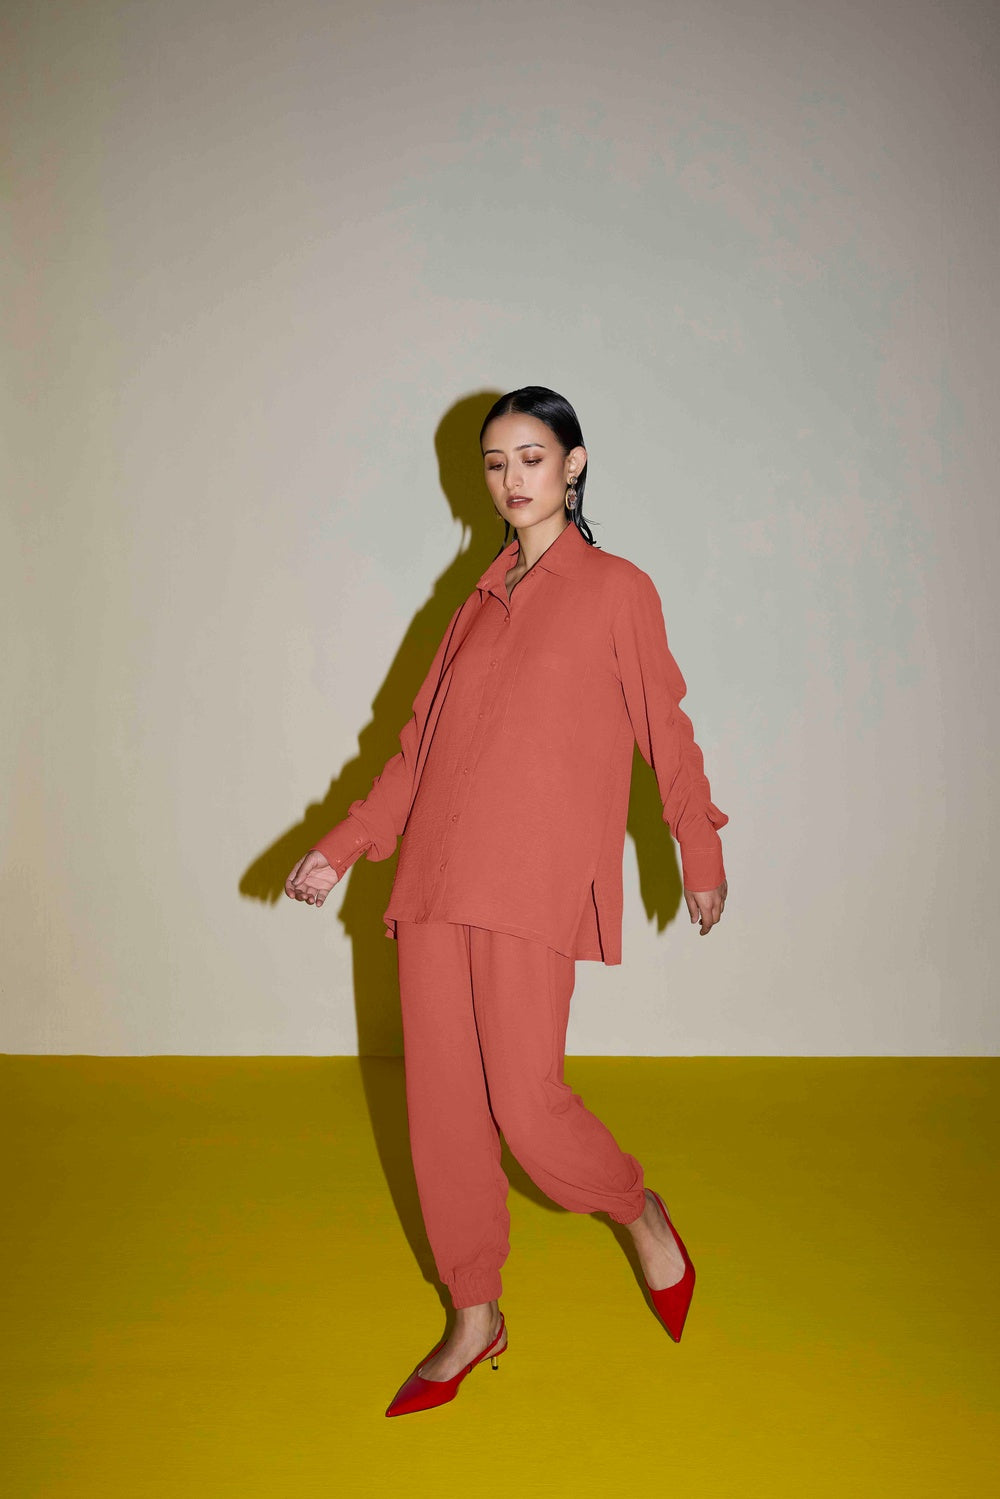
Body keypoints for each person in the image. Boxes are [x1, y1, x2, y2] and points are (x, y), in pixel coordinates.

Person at [285, 386, 728, 1417]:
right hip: (433, 882)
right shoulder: (474, 603)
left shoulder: (616, 588)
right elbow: (415, 750)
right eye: (495, 462)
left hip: (531, 880)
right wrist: (345, 844)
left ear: (574, 464)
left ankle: (636, 1209)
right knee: (442, 1111)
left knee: (528, 1108)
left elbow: (665, 724)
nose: (512, 477)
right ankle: (474, 1312)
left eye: (532, 455)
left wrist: (697, 844)